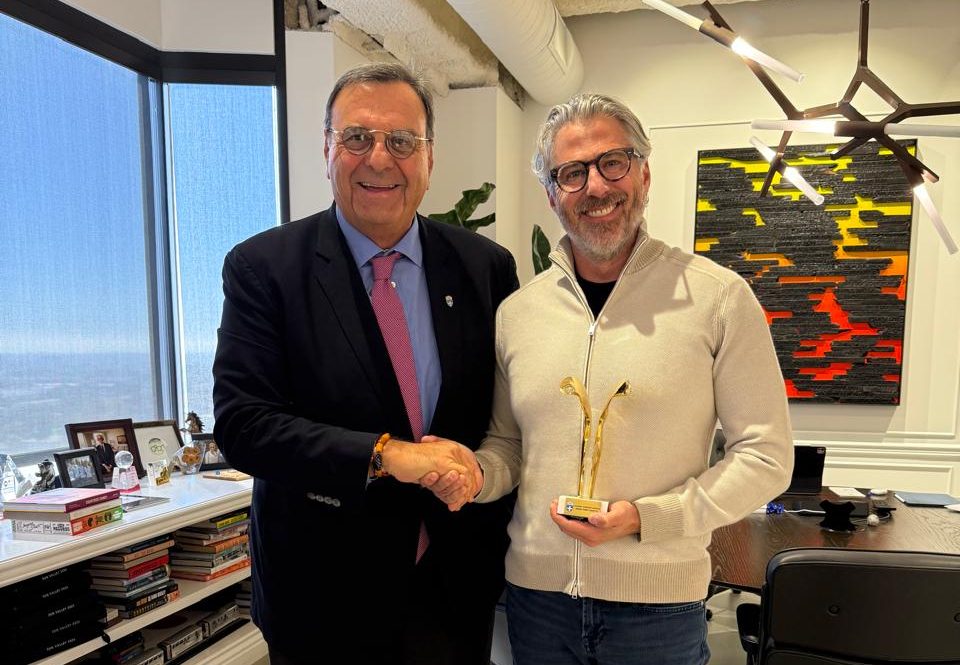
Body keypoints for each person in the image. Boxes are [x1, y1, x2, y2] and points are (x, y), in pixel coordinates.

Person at [422, 94, 794, 665]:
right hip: (537, 604)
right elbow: (508, 446)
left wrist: (649, 518)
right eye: (571, 173)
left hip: (658, 612)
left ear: (644, 174)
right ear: (552, 194)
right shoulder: (518, 314)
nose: (595, 186)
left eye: (612, 162)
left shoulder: (718, 298)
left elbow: (766, 456)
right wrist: (473, 476)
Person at [212, 63, 518, 665]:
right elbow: (245, 426)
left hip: (453, 589)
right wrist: (384, 454)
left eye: (402, 141)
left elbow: (505, 417)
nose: (379, 159)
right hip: (322, 597)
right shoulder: (264, 269)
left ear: (429, 157)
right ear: (327, 148)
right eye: (357, 137)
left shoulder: (485, 268)